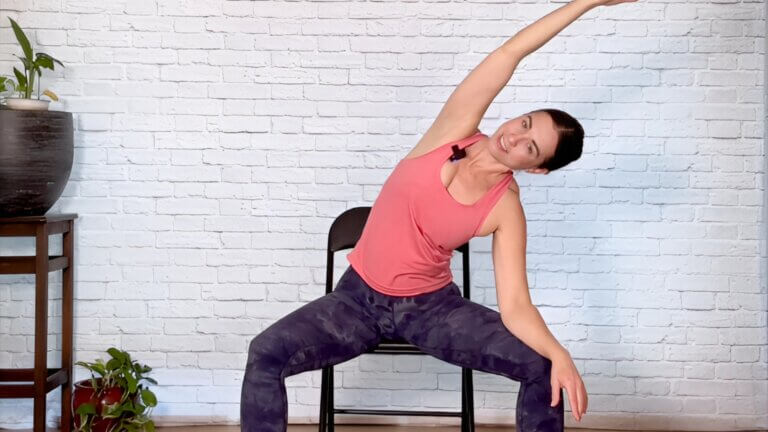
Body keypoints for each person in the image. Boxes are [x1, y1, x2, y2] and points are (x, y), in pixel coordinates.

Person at [241, 0, 637, 430]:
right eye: (525, 123)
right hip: (356, 301)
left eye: (531, 146)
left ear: (537, 167)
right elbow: (510, 54)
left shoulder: (505, 209)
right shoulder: (453, 131)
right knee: (266, 352)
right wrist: (588, 2)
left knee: (544, 368)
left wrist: (560, 354)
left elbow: (516, 306)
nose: (514, 137)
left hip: (430, 309)